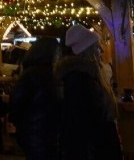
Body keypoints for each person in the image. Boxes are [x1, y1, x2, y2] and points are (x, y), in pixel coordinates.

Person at [55, 23, 123, 159]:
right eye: (97, 48)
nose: (101, 51)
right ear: (88, 51)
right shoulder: (80, 79)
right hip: (92, 150)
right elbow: (83, 122)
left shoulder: (84, 76)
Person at [8, 35, 61, 159]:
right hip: (45, 134)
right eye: (57, 51)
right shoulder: (53, 74)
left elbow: (16, 103)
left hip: (34, 133)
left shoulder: (30, 74)